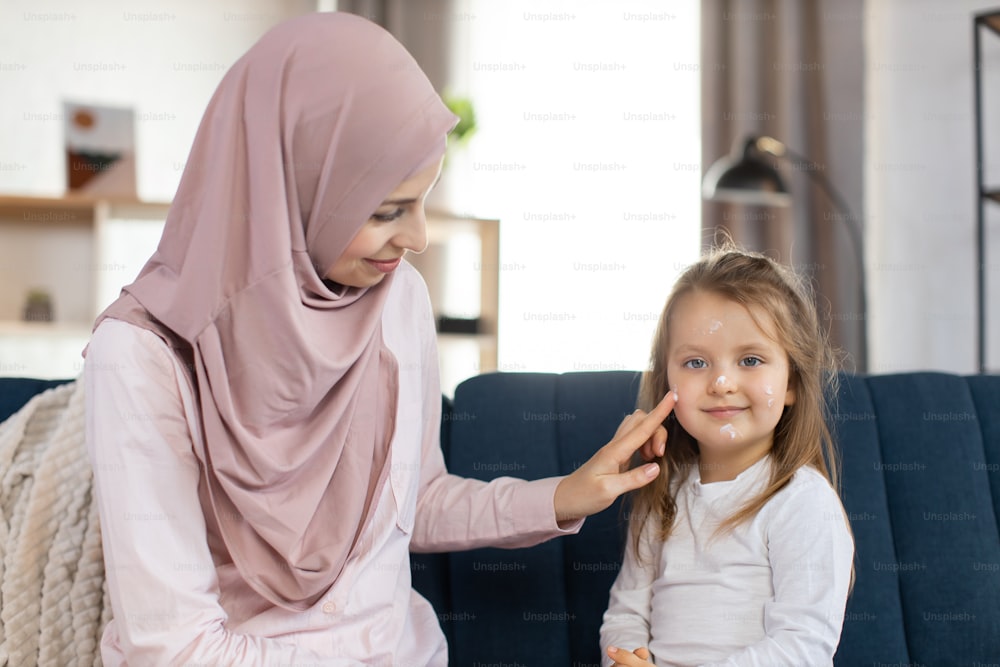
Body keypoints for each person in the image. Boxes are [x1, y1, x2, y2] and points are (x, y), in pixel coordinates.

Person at [82, 12, 674, 666]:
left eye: (422, 201)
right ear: (292, 190)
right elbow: (174, 649)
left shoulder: (400, 299)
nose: (417, 237)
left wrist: (566, 492)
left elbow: (413, 503)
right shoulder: (141, 358)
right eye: (387, 211)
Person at [600, 247, 855, 667]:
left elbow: (803, 646)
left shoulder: (803, 502)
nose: (721, 382)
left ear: (791, 382)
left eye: (750, 360)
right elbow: (626, 612)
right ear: (667, 382)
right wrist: (624, 657)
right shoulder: (660, 493)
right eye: (696, 362)